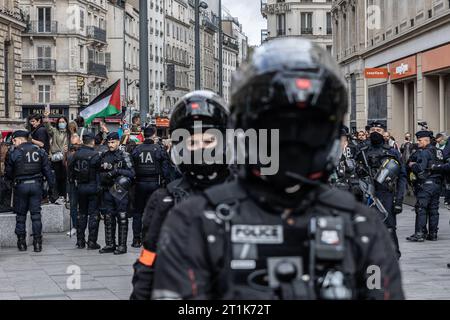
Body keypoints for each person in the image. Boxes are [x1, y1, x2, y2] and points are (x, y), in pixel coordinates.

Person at [151, 38, 404, 300]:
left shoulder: (360, 225)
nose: (292, 142)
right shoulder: (197, 221)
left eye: (308, 128)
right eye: (277, 128)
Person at [130, 90, 232, 300]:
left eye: (208, 140)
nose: (200, 148)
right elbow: (149, 259)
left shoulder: (246, 193)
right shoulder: (165, 199)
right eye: (192, 143)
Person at [355, 122, 407, 259]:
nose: (375, 132)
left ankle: (393, 254)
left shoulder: (392, 152)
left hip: (386, 194)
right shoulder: (361, 151)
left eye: (378, 130)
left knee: (389, 226)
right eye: (372, 130)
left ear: (384, 132)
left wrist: (399, 201)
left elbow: (402, 177)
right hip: (366, 193)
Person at [5, 130, 55, 252]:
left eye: (15, 140)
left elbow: (8, 173)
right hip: (36, 185)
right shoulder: (40, 151)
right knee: (36, 215)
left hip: (21, 186)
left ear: (20, 139)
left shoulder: (14, 152)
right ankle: (37, 243)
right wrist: (52, 189)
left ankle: (21, 243)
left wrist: (11, 183)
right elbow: (48, 171)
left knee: (21, 215)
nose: (14, 143)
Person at [129, 126, 172, 248]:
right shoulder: (158, 149)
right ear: (153, 135)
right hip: (155, 184)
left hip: (139, 184)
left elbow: (132, 166)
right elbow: (165, 170)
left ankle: (136, 239)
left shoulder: (137, 149)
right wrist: (166, 184)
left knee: (137, 212)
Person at [98, 132, 135, 255]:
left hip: (119, 188)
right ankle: (110, 244)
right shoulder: (104, 154)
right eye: (109, 142)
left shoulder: (124, 155)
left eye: (113, 142)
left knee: (122, 216)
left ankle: (122, 245)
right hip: (107, 187)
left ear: (118, 142)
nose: (110, 144)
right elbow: (99, 171)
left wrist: (116, 171)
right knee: (108, 216)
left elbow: (132, 173)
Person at [406, 130, 444, 242]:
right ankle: (433, 234)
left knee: (421, 208)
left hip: (426, 184)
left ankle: (419, 233)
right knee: (433, 209)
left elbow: (420, 169)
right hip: (437, 184)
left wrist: (412, 165)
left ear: (426, 140)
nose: (418, 142)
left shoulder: (424, 152)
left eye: (419, 140)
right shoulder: (438, 151)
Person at [68, 132, 102, 250]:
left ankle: (80, 241)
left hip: (80, 187)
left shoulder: (75, 154)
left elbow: (70, 172)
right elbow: (100, 172)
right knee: (93, 214)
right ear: (92, 142)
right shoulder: (95, 155)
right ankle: (92, 241)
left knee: (81, 213)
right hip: (93, 187)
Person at [43, 112, 69, 200]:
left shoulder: (68, 133)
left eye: (63, 122)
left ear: (66, 123)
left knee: (65, 177)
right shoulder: (55, 131)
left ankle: (64, 195)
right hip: (54, 158)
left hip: (65, 158)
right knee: (56, 177)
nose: (61, 123)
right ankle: (56, 195)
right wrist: (46, 117)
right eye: (60, 122)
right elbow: (48, 127)